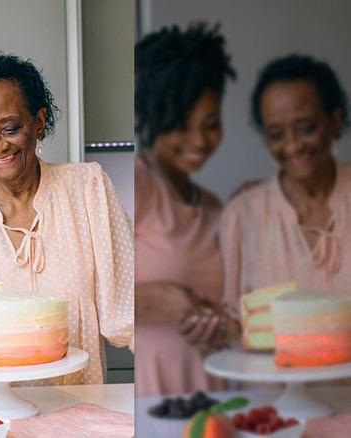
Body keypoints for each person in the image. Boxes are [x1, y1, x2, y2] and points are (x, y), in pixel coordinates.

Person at [0, 53, 134, 388]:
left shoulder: (88, 189)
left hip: (75, 414)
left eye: (10, 128)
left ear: (39, 121)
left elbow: (132, 312)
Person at [133, 23, 237, 397]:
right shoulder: (139, 183)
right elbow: (101, 291)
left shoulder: (213, 207)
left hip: (209, 385)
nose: (199, 141)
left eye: (210, 125)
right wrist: (160, 297)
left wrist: (221, 323)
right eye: (181, 125)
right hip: (151, 389)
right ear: (152, 120)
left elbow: (230, 313)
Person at [220, 54, 351, 325]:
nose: (292, 146)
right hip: (275, 368)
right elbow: (233, 324)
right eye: (276, 135)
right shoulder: (242, 216)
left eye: (305, 128)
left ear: (334, 122)